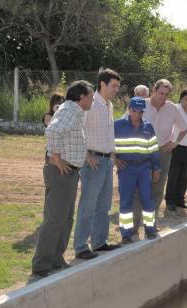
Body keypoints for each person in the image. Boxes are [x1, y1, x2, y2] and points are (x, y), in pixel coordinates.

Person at [31, 81, 94, 277]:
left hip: (69, 172)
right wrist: (56, 158)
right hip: (61, 172)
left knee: (65, 218)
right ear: (82, 97)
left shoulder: (74, 110)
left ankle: (56, 260)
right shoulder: (70, 110)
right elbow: (52, 131)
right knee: (55, 219)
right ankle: (41, 266)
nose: (93, 99)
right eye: (91, 96)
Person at [73, 69, 121, 260]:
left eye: (118, 86)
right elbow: (78, 128)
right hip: (93, 161)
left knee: (104, 204)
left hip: (106, 161)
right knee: (88, 204)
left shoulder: (108, 105)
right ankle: (81, 246)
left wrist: (113, 155)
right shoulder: (91, 104)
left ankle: (99, 242)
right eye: (114, 85)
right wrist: (86, 155)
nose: (117, 89)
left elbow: (108, 133)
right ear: (102, 84)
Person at [132, 79, 187, 235]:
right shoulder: (139, 104)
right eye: (161, 93)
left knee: (157, 189)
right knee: (138, 189)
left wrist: (175, 142)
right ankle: (133, 227)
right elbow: (126, 123)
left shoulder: (172, 109)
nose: (163, 97)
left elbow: (184, 128)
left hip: (162, 152)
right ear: (153, 90)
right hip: (141, 152)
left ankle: (151, 224)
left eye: (166, 94)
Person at [114, 97, 161, 243]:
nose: (137, 114)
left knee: (147, 199)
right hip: (125, 168)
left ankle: (150, 229)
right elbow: (107, 144)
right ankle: (126, 234)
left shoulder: (148, 127)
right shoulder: (117, 125)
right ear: (129, 109)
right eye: (134, 111)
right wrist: (114, 159)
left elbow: (153, 149)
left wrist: (157, 167)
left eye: (140, 112)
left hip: (144, 168)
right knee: (126, 201)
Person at [165, 89, 187, 211]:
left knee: (184, 176)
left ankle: (180, 199)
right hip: (175, 147)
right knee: (173, 175)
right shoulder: (174, 109)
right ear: (180, 99)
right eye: (186, 99)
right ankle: (170, 201)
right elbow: (167, 126)